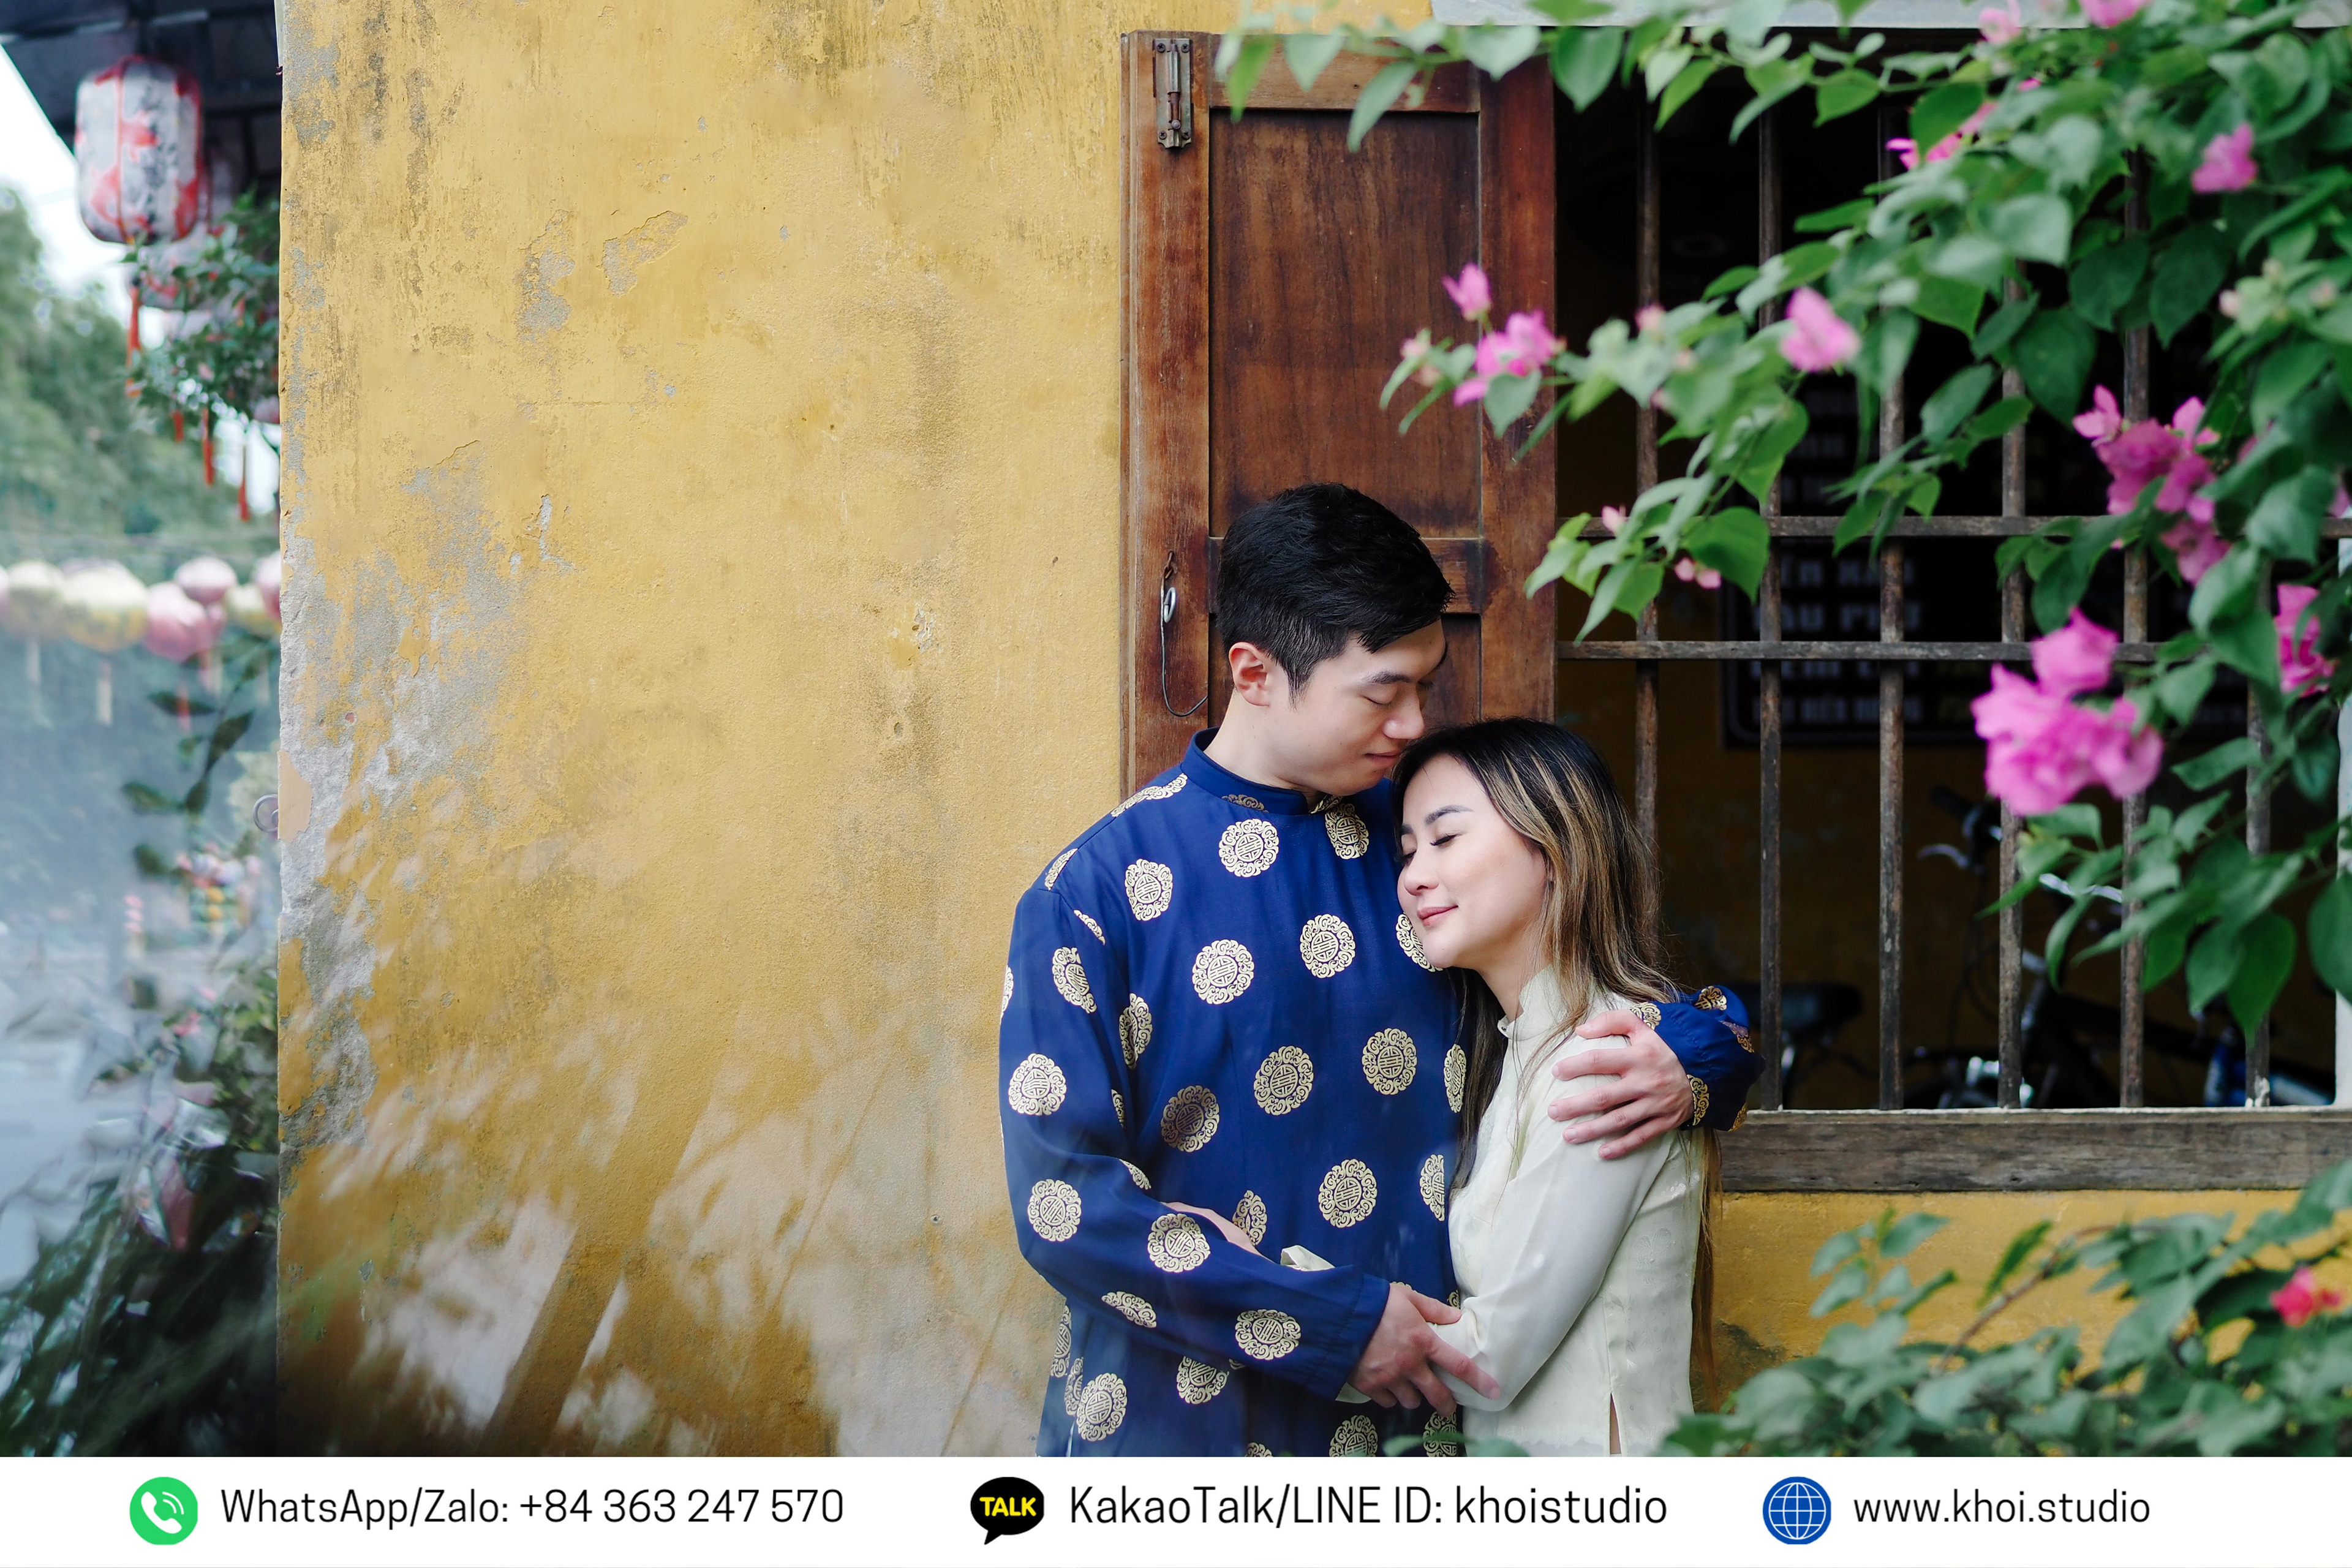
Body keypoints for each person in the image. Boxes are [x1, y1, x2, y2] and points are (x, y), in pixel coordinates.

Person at [997, 483, 1758, 1456]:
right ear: (1256, 673)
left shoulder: (1435, 849)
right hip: (1174, 1440)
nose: (1412, 722)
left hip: (1423, 1460)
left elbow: (1618, 974)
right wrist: (1335, 1323)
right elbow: (1063, 1208)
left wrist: (1692, 1058)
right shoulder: (1092, 895)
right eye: (1381, 692)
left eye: (1424, 687)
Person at [1395, 718, 1747, 1456]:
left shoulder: (1605, 1059)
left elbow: (1489, 1360)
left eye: (1446, 838)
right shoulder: (1513, 1056)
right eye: (1407, 851)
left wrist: (1280, 1300)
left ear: (1553, 849)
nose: (1415, 875)